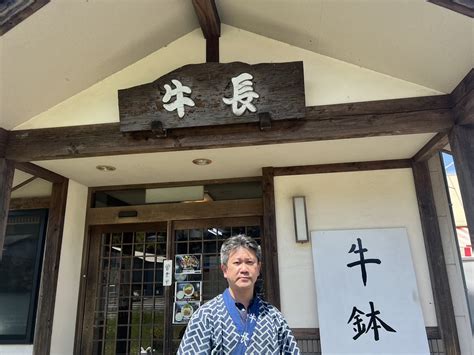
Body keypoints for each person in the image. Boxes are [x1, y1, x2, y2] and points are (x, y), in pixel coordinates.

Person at [178, 235, 300, 354]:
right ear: (225, 270)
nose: (244, 269)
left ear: (258, 269)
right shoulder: (205, 315)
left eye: (249, 262)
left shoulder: (275, 317)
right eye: (237, 263)